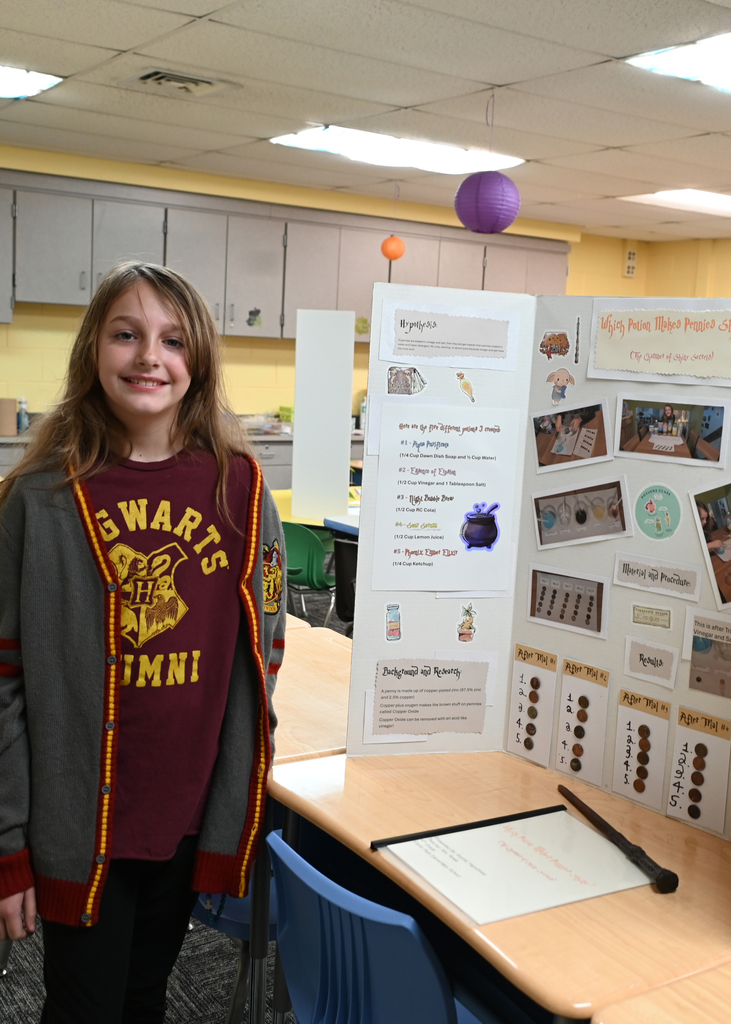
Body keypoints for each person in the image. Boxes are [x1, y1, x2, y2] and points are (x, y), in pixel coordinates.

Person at [0, 262, 286, 1023]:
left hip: (184, 814)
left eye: (172, 340)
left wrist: (231, 786)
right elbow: (3, 681)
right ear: (94, 349)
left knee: (144, 997)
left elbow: (264, 648)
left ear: (198, 362)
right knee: (82, 1008)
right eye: (125, 334)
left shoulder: (242, 490)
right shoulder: (40, 497)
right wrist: (8, 845)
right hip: (76, 820)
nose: (147, 357)